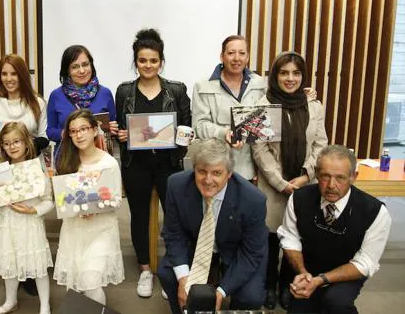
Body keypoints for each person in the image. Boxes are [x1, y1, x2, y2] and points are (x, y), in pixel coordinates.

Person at [115, 29, 191, 298]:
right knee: (139, 215)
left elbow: (186, 126)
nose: (148, 65)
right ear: (135, 61)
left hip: (168, 164)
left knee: (174, 217)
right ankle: (146, 269)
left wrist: (179, 137)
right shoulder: (124, 91)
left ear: (161, 62)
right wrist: (122, 134)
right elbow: (120, 130)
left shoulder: (177, 90)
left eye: (153, 60)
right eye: (142, 60)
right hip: (136, 164)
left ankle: (172, 268)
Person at [252, 51, 329, 309]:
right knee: (272, 239)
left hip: (305, 185)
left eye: (296, 73)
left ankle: (287, 284)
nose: (290, 78)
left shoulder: (314, 105)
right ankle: (269, 285)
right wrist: (281, 182)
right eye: (284, 72)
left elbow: (320, 144)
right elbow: (259, 148)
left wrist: (306, 175)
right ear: (275, 75)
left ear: (303, 76)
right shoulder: (264, 104)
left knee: (295, 238)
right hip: (274, 186)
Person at [158, 138, 268, 314]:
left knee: (251, 296)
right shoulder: (176, 185)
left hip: (236, 252)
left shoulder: (253, 200)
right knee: (167, 274)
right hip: (195, 246)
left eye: (217, 173)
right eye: (202, 171)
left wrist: (221, 292)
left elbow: (252, 253)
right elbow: (173, 233)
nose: (208, 180)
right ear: (194, 169)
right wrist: (184, 279)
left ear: (229, 174)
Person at [278, 145, 392, 314]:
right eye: (325, 176)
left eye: (340, 178)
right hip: (308, 269)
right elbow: (290, 238)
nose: (331, 185)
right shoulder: (299, 198)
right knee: (298, 306)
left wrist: (321, 280)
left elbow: (365, 262)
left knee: (336, 302)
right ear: (316, 173)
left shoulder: (375, 212)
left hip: (346, 272)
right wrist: (303, 273)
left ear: (354, 176)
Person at [0, 122, 53, 314]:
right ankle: (10, 301)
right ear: (1, 146)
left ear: (26, 143)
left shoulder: (36, 168)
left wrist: (33, 211)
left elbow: (49, 201)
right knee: (9, 263)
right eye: (6, 143)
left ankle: (45, 306)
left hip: (30, 224)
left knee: (38, 266)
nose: (12, 146)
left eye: (16, 141)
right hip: (7, 223)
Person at [53, 109, 125, 305]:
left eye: (83, 129)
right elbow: (62, 198)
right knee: (75, 285)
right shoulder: (66, 161)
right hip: (74, 230)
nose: (79, 135)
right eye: (74, 131)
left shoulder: (108, 163)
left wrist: (94, 208)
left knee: (91, 282)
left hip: (100, 230)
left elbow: (116, 199)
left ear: (95, 130)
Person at [192, 35, 266, 181]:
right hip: (215, 167)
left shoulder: (260, 84)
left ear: (248, 57)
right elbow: (199, 126)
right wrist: (224, 132)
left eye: (242, 53)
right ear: (222, 56)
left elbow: (266, 120)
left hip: (249, 168)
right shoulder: (203, 86)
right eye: (231, 53)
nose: (236, 58)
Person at [46, 45, 118, 155]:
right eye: (75, 67)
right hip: (67, 159)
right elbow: (50, 131)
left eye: (85, 64)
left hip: (98, 158)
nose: (82, 70)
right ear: (67, 70)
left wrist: (112, 129)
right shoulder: (56, 95)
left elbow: (113, 125)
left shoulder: (105, 93)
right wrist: (68, 133)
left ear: (91, 66)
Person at [0, 54, 49, 156]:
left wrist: (25, 149)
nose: (9, 79)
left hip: (31, 165)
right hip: (1, 165)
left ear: (22, 75)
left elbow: (44, 137)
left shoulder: (38, 103)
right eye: (4, 74)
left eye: (14, 74)